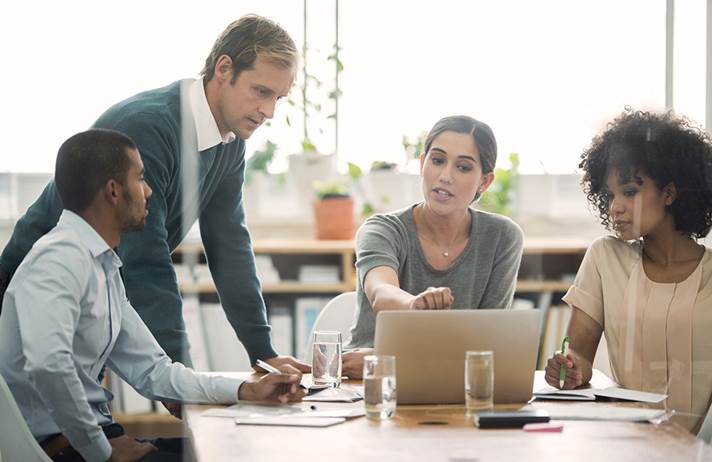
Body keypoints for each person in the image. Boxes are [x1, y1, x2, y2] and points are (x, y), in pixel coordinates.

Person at [0, 15, 309, 375]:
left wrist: (262, 353)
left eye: (279, 98)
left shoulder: (229, 143)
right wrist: (181, 376)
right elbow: (145, 257)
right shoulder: (148, 128)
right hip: (36, 296)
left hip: (95, 296)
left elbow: (230, 246)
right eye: (261, 91)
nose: (269, 112)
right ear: (224, 68)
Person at [0, 129, 305, 462]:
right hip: (65, 451)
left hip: (94, 439)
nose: (148, 191)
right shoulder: (57, 261)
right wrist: (102, 453)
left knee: (242, 448)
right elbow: (49, 365)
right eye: (141, 178)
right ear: (113, 191)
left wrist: (247, 390)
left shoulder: (101, 265)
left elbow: (154, 371)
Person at [544, 109, 712, 432]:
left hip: (704, 450)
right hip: (627, 443)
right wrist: (569, 368)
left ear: (669, 193)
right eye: (610, 195)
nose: (615, 207)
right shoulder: (604, 258)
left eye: (629, 192)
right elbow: (579, 357)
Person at [342, 115, 524, 378]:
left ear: (484, 181)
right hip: (368, 379)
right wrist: (415, 306)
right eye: (437, 161)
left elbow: (487, 342)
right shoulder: (381, 230)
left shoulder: (502, 237)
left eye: (463, 167)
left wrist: (392, 360)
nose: (445, 176)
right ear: (422, 163)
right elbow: (381, 293)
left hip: (448, 379)